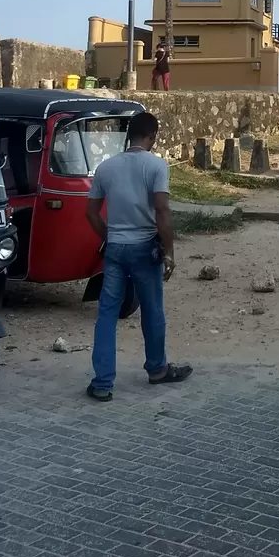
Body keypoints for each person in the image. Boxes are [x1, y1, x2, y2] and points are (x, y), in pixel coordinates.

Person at [85, 112, 192, 401]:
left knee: (107, 313)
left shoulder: (106, 168)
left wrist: (110, 237)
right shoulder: (156, 166)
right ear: (152, 136)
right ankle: (157, 369)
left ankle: (103, 383)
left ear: (128, 135)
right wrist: (169, 251)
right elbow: (162, 212)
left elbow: (91, 214)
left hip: (116, 249)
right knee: (152, 309)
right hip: (145, 247)